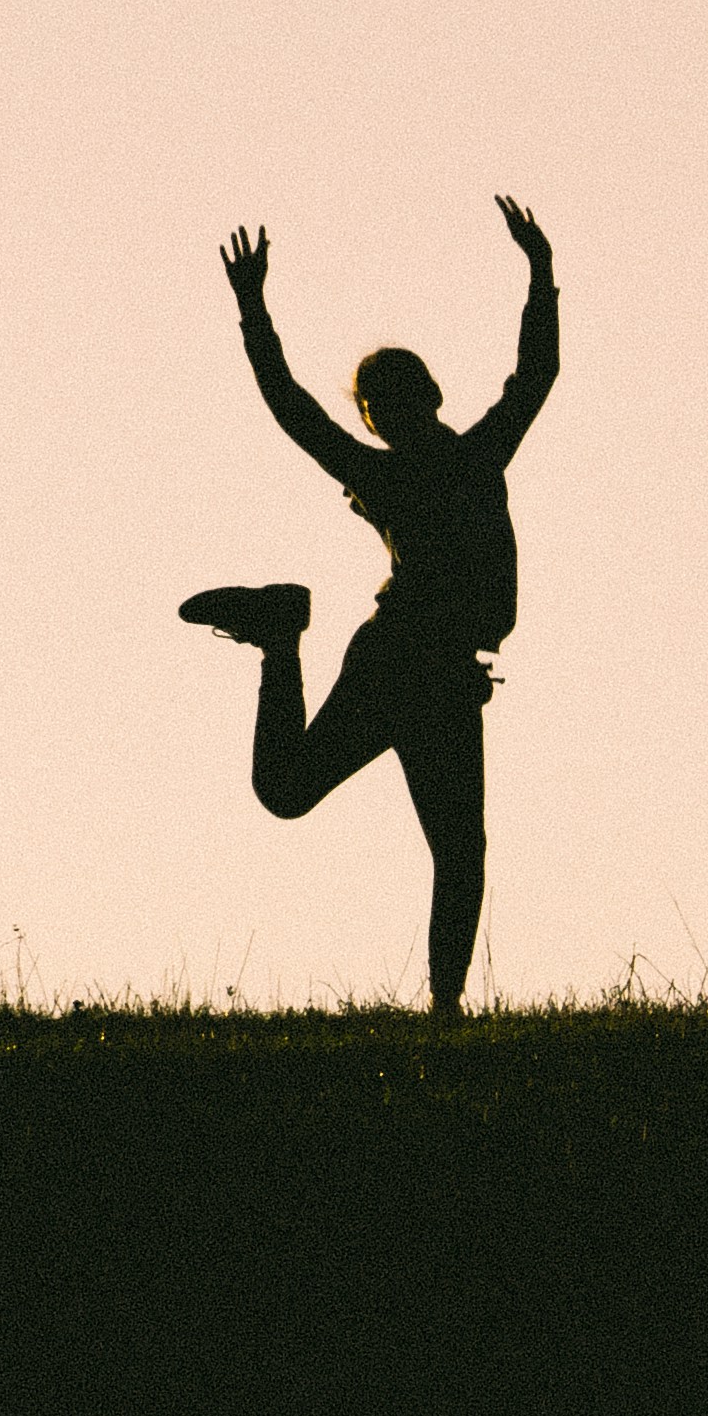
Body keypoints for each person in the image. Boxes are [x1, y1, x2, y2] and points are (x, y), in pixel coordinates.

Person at [179, 201, 561, 1018]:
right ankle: (447, 1009)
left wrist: (255, 310)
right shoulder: (464, 458)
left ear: (423, 396)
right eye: (375, 407)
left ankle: (282, 635)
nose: (383, 414)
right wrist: (538, 274)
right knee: (453, 848)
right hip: (409, 667)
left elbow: (298, 410)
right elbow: (532, 377)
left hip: (424, 670)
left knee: (409, 832)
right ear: (385, 415)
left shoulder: (433, 463)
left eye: (387, 400)